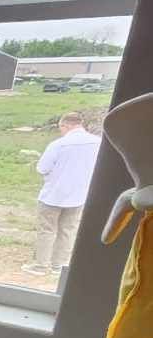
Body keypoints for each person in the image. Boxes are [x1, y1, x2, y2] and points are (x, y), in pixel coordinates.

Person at [27, 111, 100, 276]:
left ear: (65, 125)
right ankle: (58, 266)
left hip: (54, 194)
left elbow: (42, 168)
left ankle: (40, 265)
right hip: (79, 195)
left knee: (47, 229)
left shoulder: (59, 144)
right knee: (68, 230)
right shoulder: (97, 143)